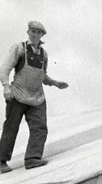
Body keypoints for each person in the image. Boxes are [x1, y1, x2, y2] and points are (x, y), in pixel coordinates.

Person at [1, 20, 69, 172]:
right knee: (11, 128)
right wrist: (6, 87)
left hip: (37, 97)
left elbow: (42, 76)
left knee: (40, 127)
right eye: (33, 31)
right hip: (17, 95)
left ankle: (32, 158)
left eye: (39, 32)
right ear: (28, 32)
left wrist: (56, 83)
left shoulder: (43, 54)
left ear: (42, 35)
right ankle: (1, 161)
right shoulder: (19, 48)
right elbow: (4, 69)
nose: (35, 34)